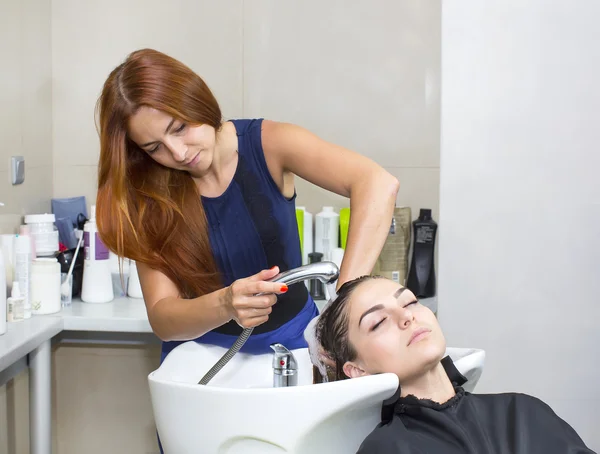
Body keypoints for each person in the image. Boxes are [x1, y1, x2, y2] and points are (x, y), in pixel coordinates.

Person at [94, 48, 399, 363]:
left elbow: (378, 183)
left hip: (295, 346)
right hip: (200, 360)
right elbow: (162, 318)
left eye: (180, 128)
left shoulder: (269, 144)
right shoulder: (149, 194)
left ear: (197, 99)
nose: (178, 153)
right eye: (155, 147)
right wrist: (226, 303)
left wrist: (343, 305)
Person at [315, 276, 596, 454]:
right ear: (357, 370)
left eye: (410, 302)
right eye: (378, 322)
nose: (406, 317)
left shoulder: (522, 413)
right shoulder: (388, 449)